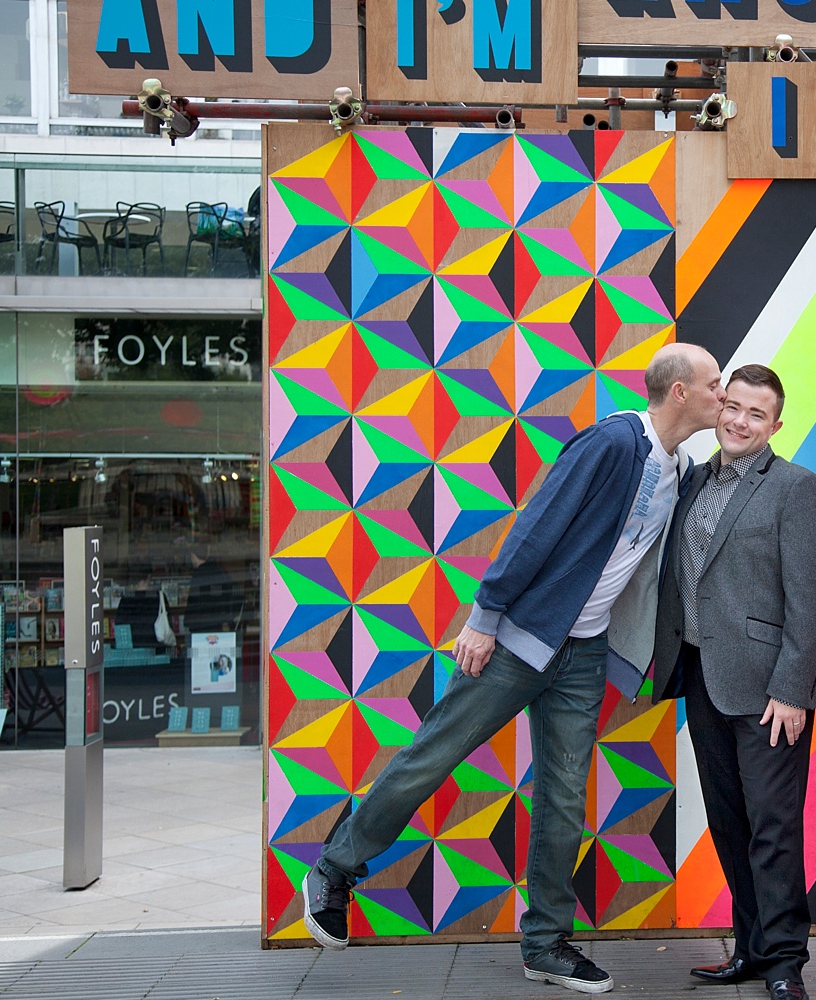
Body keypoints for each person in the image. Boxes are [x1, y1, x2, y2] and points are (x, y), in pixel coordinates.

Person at [302, 343, 726, 995]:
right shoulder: (614, 443)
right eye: (714, 383)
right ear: (678, 392)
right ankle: (334, 868)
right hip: (518, 640)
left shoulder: (680, 467)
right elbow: (538, 524)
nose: (720, 393)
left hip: (583, 652)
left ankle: (546, 943)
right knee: (434, 756)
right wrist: (484, 615)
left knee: (562, 796)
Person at [651, 365, 816, 1000]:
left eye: (757, 415)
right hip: (704, 678)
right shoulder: (694, 480)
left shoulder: (796, 488)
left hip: (769, 693)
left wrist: (791, 688)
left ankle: (785, 963)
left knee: (773, 827)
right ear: (719, 405)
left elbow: (811, 602)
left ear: (775, 426)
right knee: (730, 824)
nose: (739, 422)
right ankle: (753, 950)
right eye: (733, 407)